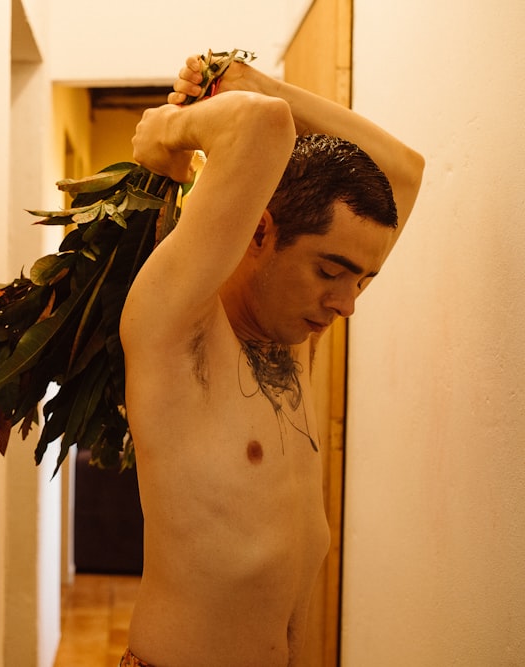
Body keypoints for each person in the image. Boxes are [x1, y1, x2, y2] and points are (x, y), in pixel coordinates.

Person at [118, 54, 424, 666]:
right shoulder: (177, 332)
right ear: (260, 234)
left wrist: (263, 82)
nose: (345, 306)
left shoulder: (291, 341)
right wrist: (166, 133)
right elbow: (261, 127)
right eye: (330, 272)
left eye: (360, 282)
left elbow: (405, 173)